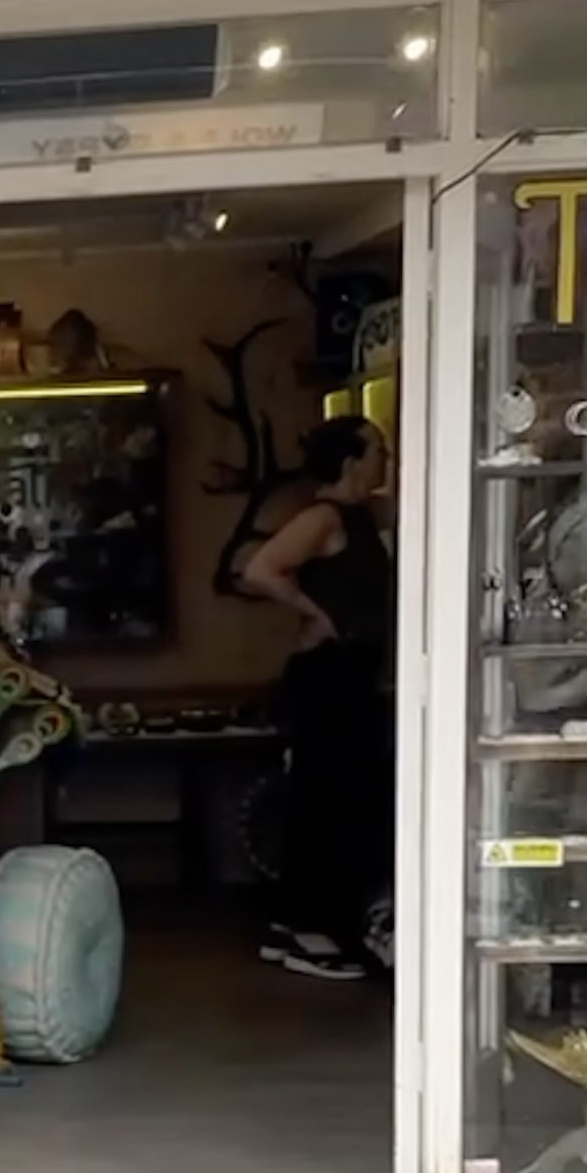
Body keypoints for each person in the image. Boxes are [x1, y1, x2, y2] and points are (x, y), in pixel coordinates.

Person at [242, 415, 395, 982]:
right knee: (328, 800)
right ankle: (314, 930)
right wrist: (314, 613)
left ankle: (301, 923)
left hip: (351, 672)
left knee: (331, 797)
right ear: (352, 461)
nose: (387, 455)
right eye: (378, 447)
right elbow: (261, 570)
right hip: (329, 675)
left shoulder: (362, 514)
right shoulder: (324, 517)